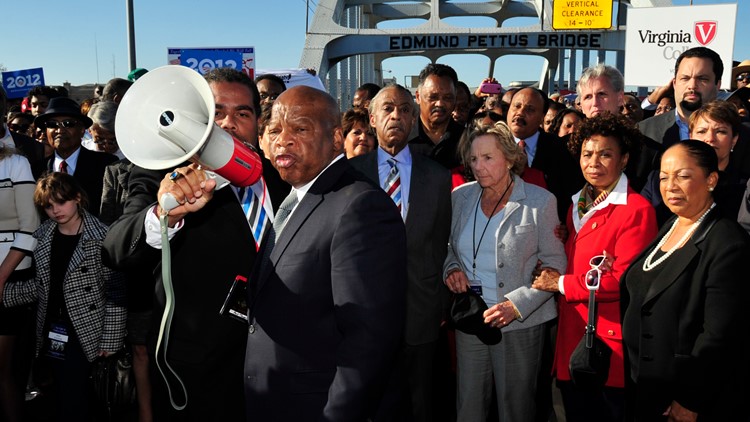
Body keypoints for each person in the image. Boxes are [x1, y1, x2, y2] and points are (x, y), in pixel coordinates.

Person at [102, 67, 289, 421]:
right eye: (216, 112)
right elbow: (114, 247)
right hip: (200, 375)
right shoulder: (163, 176)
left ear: (257, 122)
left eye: (243, 113)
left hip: (279, 366)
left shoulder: (281, 176)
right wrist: (164, 215)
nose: (230, 123)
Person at [243, 85, 407, 420]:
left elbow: (369, 341)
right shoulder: (292, 198)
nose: (283, 140)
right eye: (274, 130)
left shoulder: (360, 206)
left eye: (300, 129)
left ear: (335, 139)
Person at [531, 114, 658, 422]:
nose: (593, 162)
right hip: (571, 339)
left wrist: (559, 283)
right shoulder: (578, 203)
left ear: (624, 159)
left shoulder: (637, 210)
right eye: (587, 154)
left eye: (605, 154)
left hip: (606, 348)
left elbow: (620, 282)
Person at [443, 122, 566, 422]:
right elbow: (448, 246)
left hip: (519, 325)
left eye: (487, 158)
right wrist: (452, 267)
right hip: (471, 317)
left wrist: (517, 305)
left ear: (509, 158)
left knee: (516, 408)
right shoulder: (460, 197)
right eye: (473, 159)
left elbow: (556, 265)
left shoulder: (540, 202)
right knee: (469, 406)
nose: (478, 167)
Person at [621, 140, 750, 421]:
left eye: (683, 175)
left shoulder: (727, 243)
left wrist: (691, 400)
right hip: (647, 387)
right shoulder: (672, 224)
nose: (670, 186)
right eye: (664, 177)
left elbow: (719, 337)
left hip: (686, 398)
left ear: (711, 180)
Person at [349, 84, 451, 421]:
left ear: (414, 119)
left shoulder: (437, 177)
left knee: (420, 400)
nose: (398, 115)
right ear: (373, 118)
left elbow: (441, 242)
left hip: (420, 310)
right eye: (389, 108)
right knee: (369, 401)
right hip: (362, 312)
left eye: (406, 109)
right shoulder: (349, 175)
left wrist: (439, 303)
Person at [3, 172, 126, 422]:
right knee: (58, 392)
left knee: (75, 396)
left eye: (61, 202)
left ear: (77, 198)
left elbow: (115, 290)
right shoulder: (43, 235)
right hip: (51, 326)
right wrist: (6, 295)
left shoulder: (100, 237)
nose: (55, 210)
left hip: (86, 329)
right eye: (48, 206)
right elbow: (43, 286)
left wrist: (110, 340)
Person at [643, 101, 747, 225]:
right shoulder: (656, 181)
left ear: (734, 140)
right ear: (690, 136)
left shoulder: (745, 187)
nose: (710, 138)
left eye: (720, 131)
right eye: (702, 131)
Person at [0, 144, 39, 422]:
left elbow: (31, 227)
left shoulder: (16, 164)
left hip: (10, 277)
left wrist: (0, 277)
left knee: (2, 370)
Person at [506, 86, 582, 220]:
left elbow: (569, 195)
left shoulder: (560, 150)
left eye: (530, 109)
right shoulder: (492, 145)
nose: (520, 113)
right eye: (516, 106)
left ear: (542, 117)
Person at [36, 97, 118, 217]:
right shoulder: (36, 169)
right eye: (52, 124)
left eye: (68, 124)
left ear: (82, 130)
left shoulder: (107, 165)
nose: (59, 130)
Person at [409, 63, 464, 169]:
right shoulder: (402, 139)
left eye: (447, 98)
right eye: (433, 97)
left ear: (455, 98)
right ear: (418, 97)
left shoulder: (467, 141)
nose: (440, 104)